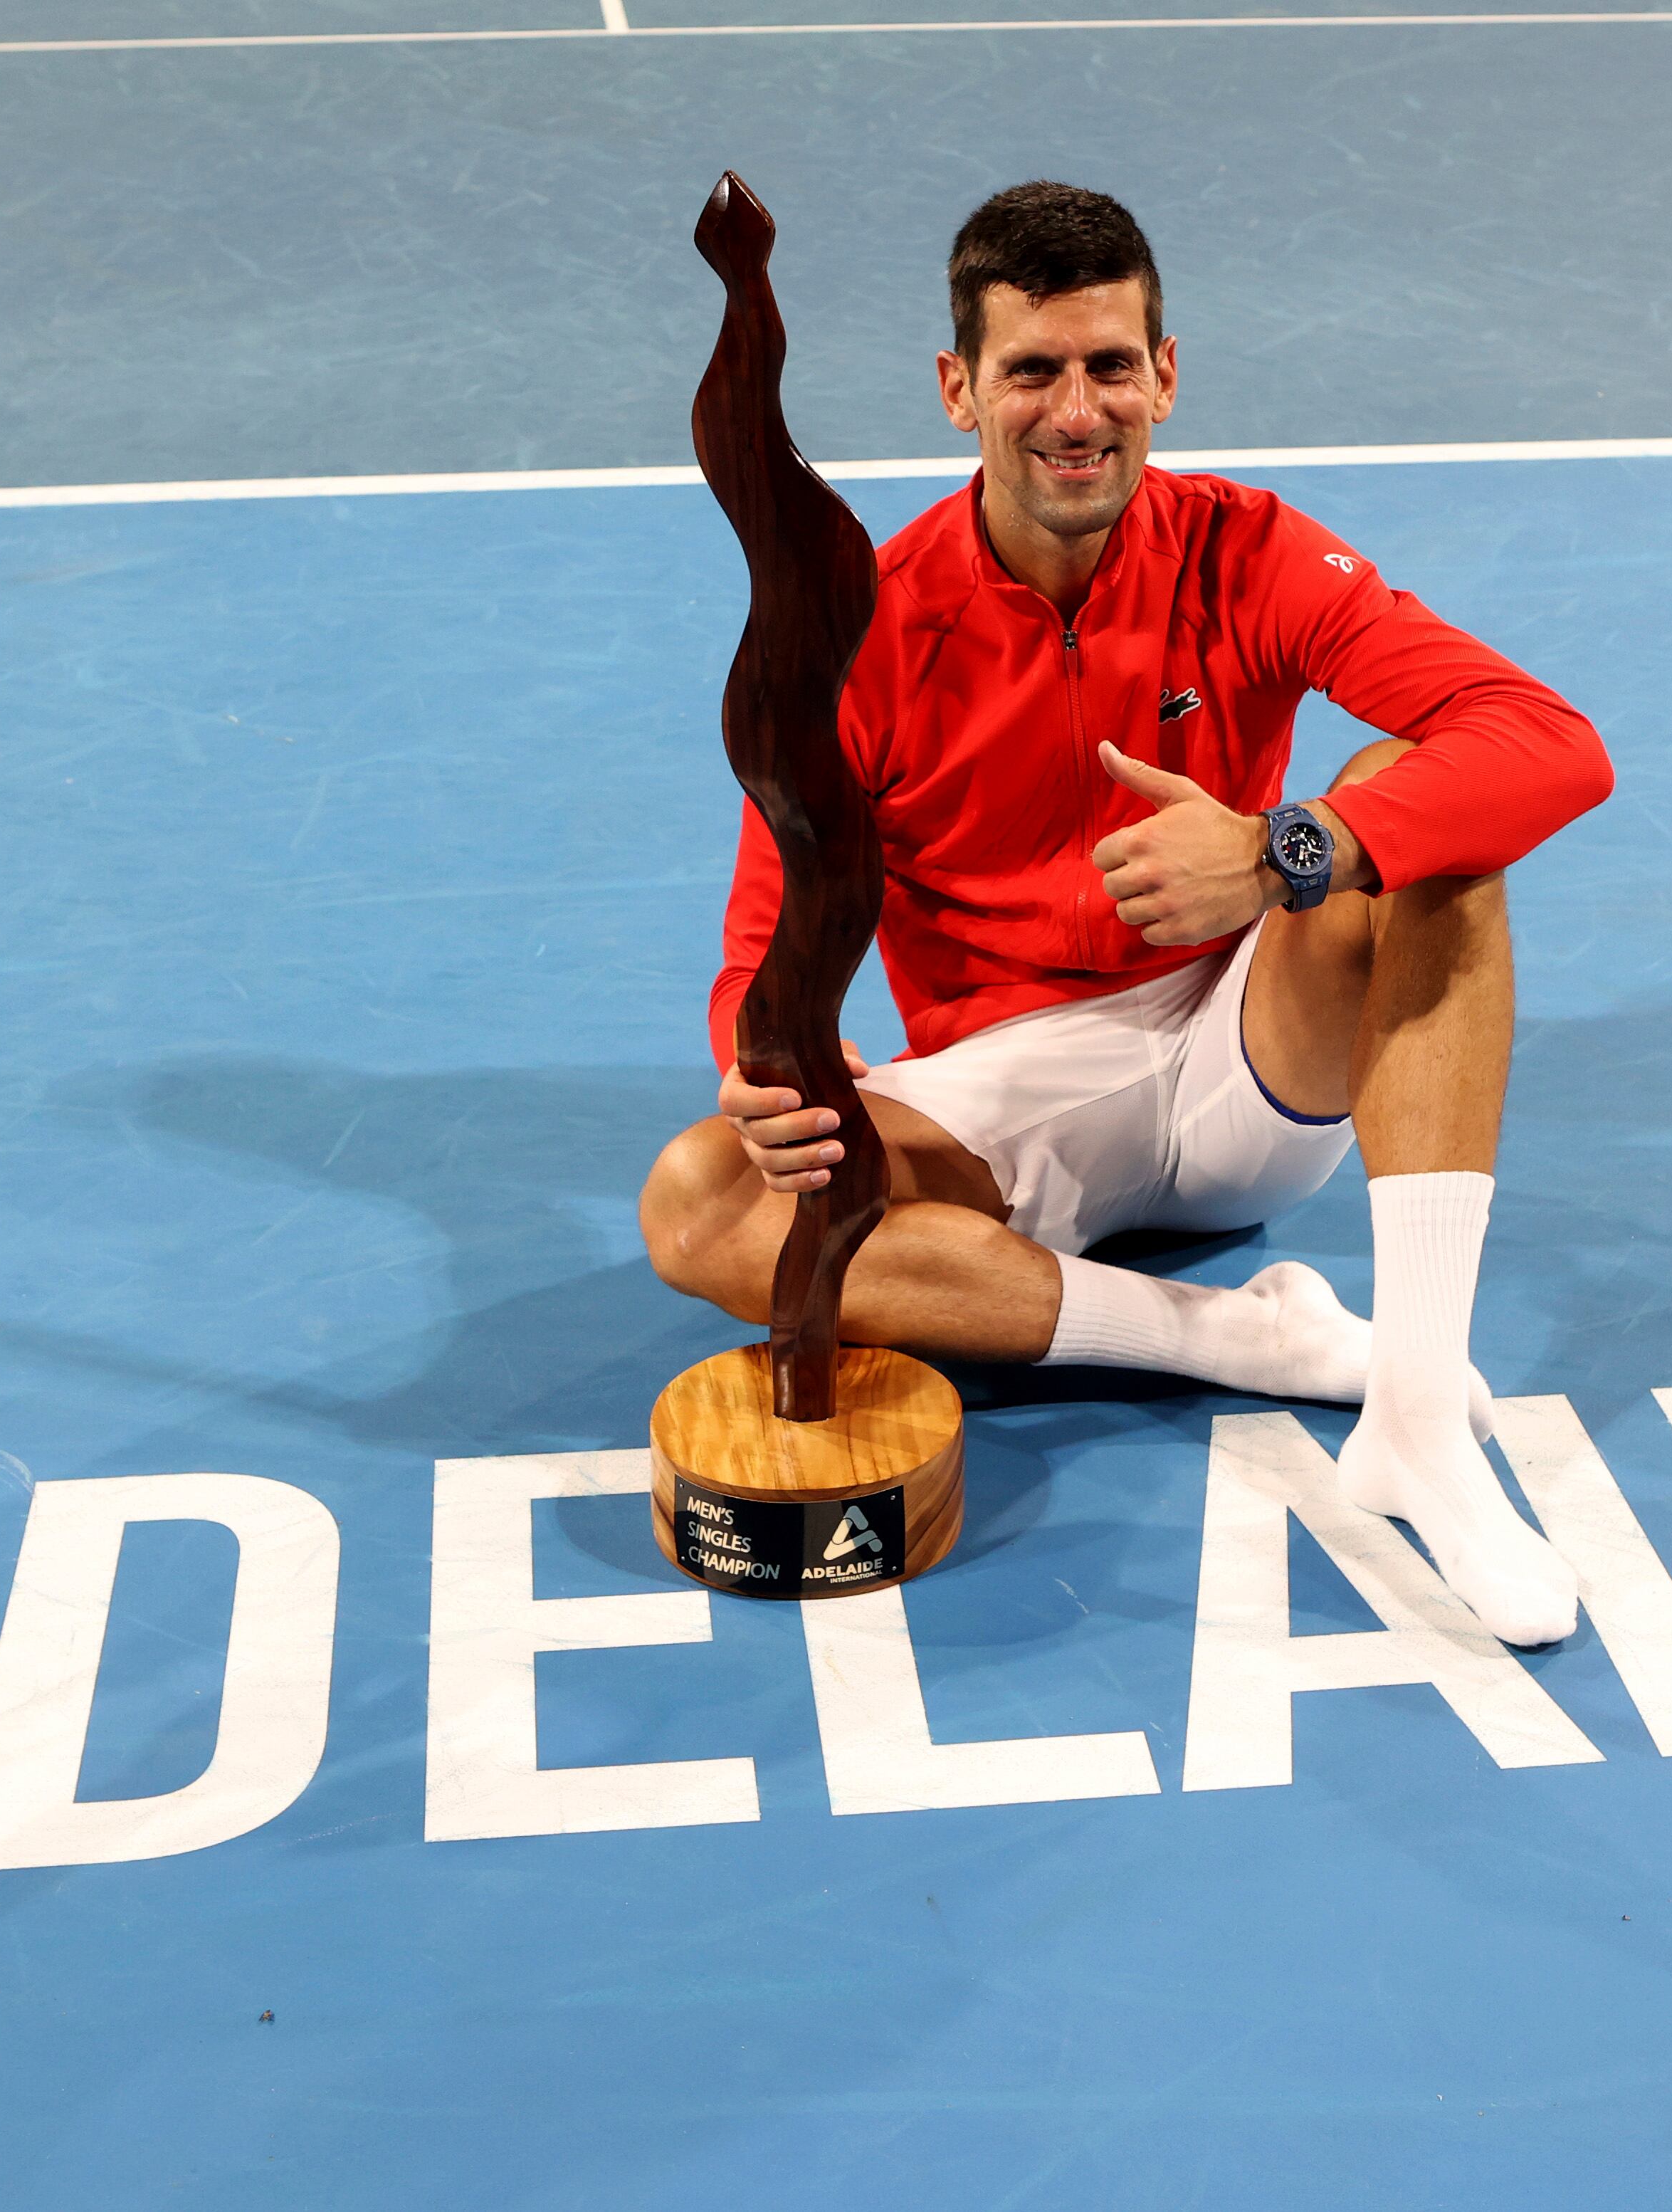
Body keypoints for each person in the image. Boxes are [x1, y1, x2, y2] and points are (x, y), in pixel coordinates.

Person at [637, 182, 1613, 1645]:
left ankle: (1415, 1417)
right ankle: (1239, 1340)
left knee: (1423, 813)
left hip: (1247, 1054)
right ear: (959, 389)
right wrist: (759, 1067)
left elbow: (1547, 743)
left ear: (1165, 373)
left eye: (1107, 365)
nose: (1074, 410)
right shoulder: (860, 627)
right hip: (1004, 1100)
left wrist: (1291, 851)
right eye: (1031, 369)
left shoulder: (1252, 550)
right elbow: (759, 934)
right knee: (698, 1201)